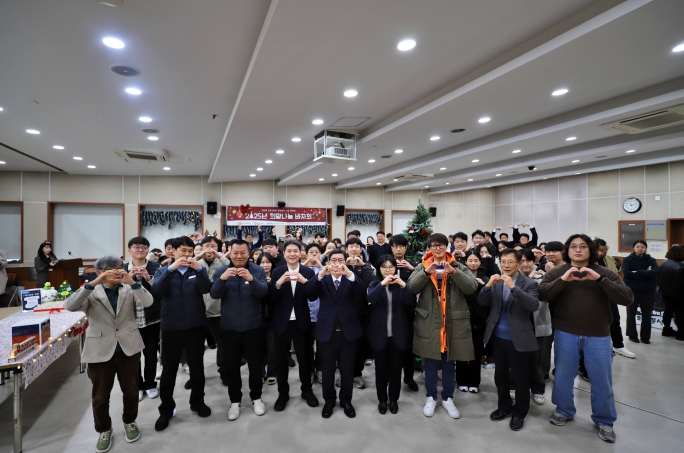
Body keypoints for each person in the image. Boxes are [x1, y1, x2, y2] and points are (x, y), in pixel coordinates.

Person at [539, 234, 633, 443]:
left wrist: (600, 279)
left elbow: (626, 298)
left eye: (583, 246)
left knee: (601, 380)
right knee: (563, 376)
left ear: (591, 250)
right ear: (567, 250)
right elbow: (543, 294)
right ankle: (563, 410)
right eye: (573, 246)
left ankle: (604, 420)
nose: (578, 250)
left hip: (598, 335)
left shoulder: (604, 272)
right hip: (565, 333)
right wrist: (563, 280)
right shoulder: (557, 272)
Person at [64, 255, 153, 452]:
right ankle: (104, 429)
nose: (118, 271)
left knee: (131, 391)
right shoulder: (91, 291)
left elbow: (148, 302)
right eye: (113, 268)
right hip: (99, 349)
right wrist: (92, 283)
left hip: (128, 347)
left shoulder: (129, 288)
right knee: (100, 396)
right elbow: (69, 306)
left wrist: (133, 283)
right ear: (100, 272)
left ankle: (130, 421)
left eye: (120, 267)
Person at [408, 233, 477, 419]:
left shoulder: (458, 266)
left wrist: (453, 272)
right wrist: (426, 273)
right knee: (430, 362)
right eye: (434, 246)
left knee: (449, 362)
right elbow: (411, 288)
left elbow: (471, 287)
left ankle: (447, 398)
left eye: (441, 245)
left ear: (447, 247)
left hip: (451, 322)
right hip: (430, 321)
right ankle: (431, 397)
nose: (437, 248)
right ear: (429, 248)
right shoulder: (422, 266)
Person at [151, 236, 212, 432]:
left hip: (196, 326)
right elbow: (157, 291)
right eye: (183, 251)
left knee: (197, 367)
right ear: (173, 251)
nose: (186, 254)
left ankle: (197, 402)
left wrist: (200, 269)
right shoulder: (163, 270)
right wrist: (171, 269)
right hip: (171, 328)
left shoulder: (197, 270)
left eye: (190, 251)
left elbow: (207, 289)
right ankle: (166, 409)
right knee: (169, 370)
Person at [479, 248, 540, 431]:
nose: (506, 265)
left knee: (520, 378)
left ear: (519, 264)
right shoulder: (496, 281)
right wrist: (487, 286)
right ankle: (504, 406)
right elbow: (482, 302)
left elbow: (533, 305)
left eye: (510, 262)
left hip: (518, 337)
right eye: (503, 261)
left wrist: (513, 288)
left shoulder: (529, 283)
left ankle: (519, 412)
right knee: (501, 375)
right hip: (497, 337)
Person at [211, 239, 269, 421]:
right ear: (230, 253)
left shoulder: (257, 270)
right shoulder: (221, 271)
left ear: (248, 253)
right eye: (235, 252)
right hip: (229, 328)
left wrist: (251, 279)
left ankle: (256, 398)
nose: (239, 256)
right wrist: (222, 279)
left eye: (243, 252)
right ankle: (235, 401)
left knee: (255, 365)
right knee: (232, 367)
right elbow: (214, 294)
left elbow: (263, 292)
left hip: (253, 326)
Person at [306, 248, 366, 419]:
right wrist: (319, 275)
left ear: (345, 262)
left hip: (348, 332)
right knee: (327, 370)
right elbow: (310, 294)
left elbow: (361, 292)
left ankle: (346, 400)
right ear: (328, 262)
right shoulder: (322, 278)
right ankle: (329, 401)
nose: (337, 263)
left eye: (340, 260)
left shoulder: (351, 278)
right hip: (326, 332)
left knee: (347, 370)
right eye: (333, 260)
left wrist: (349, 274)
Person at [269, 240, 319, 411]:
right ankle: (283, 394)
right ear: (283, 253)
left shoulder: (308, 272)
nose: (292, 254)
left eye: (295, 251)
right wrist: (278, 283)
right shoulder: (277, 271)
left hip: (302, 322)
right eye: (289, 251)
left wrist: (305, 282)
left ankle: (307, 390)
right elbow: (271, 298)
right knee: (281, 360)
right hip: (281, 322)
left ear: (301, 253)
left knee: (305, 359)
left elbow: (313, 296)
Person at [367, 255, 415, 415]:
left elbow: (409, 302)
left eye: (391, 267)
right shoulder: (374, 284)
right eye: (384, 267)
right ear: (379, 269)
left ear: (395, 268)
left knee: (396, 370)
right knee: (380, 370)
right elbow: (371, 298)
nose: (388, 270)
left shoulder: (401, 285)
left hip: (398, 335)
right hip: (379, 335)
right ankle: (382, 399)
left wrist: (403, 285)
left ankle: (393, 399)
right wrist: (383, 284)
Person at [123, 237, 161, 402]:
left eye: (144, 247)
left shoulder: (156, 267)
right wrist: (127, 281)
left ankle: (150, 384)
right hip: (129, 319)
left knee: (151, 354)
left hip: (152, 317)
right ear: (129, 250)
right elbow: (117, 293)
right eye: (137, 247)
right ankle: (137, 386)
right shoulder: (122, 269)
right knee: (133, 356)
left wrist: (148, 279)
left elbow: (161, 291)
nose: (140, 250)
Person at [195, 236, 230, 387]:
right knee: (196, 348)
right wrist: (198, 256)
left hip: (218, 311)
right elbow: (185, 265)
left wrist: (219, 256)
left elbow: (232, 266)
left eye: (213, 246)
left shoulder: (222, 263)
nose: (209, 250)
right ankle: (196, 376)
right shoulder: (196, 263)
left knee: (222, 344)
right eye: (206, 246)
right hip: (198, 312)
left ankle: (224, 372)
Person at [518, 248, 551, 404]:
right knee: (517, 359)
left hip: (538, 322)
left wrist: (543, 278)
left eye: (528, 261)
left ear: (535, 261)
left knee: (538, 359)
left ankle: (538, 390)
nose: (525, 264)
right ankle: (515, 385)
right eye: (521, 261)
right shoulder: (513, 278)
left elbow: (547, 296)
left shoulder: (542, 277)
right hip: (519, 323)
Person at [595, 238, 635, 358]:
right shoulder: (588, 261)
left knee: (615, 319)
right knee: (597, 322)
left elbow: (615, 275)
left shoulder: (609, 258)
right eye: (601, 250)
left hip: (610, 293)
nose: (604, 252)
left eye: (606, 249)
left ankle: (618, 345)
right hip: (595, 296)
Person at [389, 234, 419, 391]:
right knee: (390, 345)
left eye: (401, 246)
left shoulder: (413, 265)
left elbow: (422, 283)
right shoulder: (386, 264)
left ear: (406, 247)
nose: (398, 249)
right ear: (391, 248)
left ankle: (409, 377)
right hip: (390, 311)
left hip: (408, 312)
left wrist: (412, 269)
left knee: (408, 347)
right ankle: (390, 376)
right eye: (395, 246)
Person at [456, 252, 489, 393]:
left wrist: (483, 286)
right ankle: (461, 380)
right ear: (465, 262)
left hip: (479, 320)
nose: (473, 263)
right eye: (470, 260)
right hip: (462, 318)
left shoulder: (485, 278)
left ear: (480, 262)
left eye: (476, 260)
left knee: (476, 350)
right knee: (462, 350)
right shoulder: (461, 277)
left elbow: (487, 300)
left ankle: (474, 382)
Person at [345, 237, 375, 388]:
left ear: (361, 249)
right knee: (344, 346)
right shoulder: (341, 264)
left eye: (357, 246)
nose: (354, 249)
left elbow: (373, 282)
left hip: (361, 312)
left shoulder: (366, 266)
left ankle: (357, 374)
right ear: (346, 249)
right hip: (343, 313)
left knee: (359, 346)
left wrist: (363, 266)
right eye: (351, 246)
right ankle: (344, 374)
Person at [622, 240, 659, 344]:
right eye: (637, 247)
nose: (640, 249)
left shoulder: (651, 260)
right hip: (632, 290)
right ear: (634, 248)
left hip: (648, 291)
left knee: (647, 314)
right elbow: (627, 274)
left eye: (642, 247)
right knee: (631, 313)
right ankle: (632, 335)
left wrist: (637, 271)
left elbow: (654, 273)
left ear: (645, 248)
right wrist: (646, 272)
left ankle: (645, 337)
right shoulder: (628, 260)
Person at [256, 252, 277, 384]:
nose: (265, 265)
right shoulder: (254, 278)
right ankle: (260, 373)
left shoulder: (277, 277)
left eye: (268, 262)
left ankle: (272, 372)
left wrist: (272, 286)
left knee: (272, 348)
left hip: (273, 318)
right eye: (262, 262)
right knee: (258, 348)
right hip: (257, 318)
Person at [658, 245, 684, 341]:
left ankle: (666, 330)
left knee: (668, 311)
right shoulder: (682, 265)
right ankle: (681, 333)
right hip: (679, 293)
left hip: (665, 292)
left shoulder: (663, 263)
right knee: (680, 313)